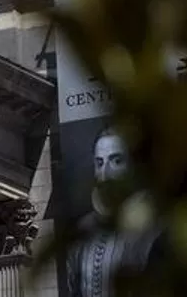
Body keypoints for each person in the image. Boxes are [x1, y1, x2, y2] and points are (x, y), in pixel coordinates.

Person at [66, 126, 162, 297]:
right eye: (100, 163)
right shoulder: (83, 233)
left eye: (116, 161)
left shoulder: (156, 226)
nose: (105, 173)